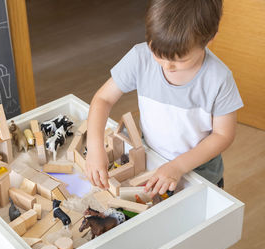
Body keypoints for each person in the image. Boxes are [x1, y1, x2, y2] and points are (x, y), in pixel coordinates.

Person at [85, 0, 243, 197]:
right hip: (152, 162)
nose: (167, 66)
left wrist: (178, 166)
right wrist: (94, 146)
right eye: (157, 54)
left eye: (180, 60)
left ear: (210, 39)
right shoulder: (140, 57)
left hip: (200, 175)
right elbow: (103, 99)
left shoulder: (219, 79)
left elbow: (223, 135)